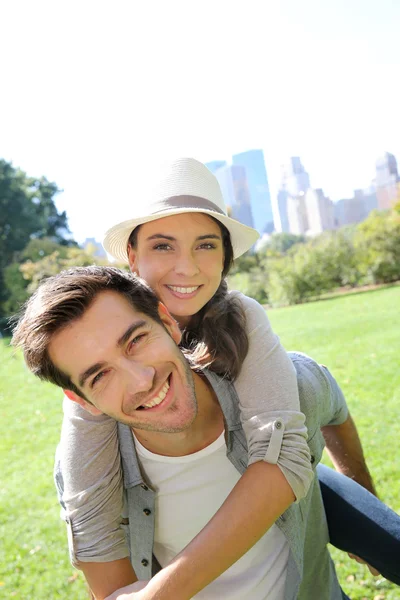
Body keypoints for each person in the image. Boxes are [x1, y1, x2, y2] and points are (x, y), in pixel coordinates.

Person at [11, 265, 367, 599]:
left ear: (167, 322)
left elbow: (335, 409)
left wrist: (362, 496)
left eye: (135, 340)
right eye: (100, 376)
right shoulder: (91, 474)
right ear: (81, 400)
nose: (141, 380)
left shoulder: (286, 392)